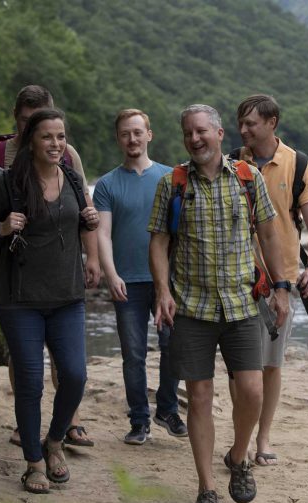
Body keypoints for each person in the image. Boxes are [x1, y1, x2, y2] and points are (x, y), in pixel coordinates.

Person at [148, 104, 290, 503]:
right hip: (191, 307)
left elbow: (267, 232)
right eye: (188, 133)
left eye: (201, 132)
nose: (195, 139)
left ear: (219, 133)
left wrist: (280, 288)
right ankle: (206, 488)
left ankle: (239, 457)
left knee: (252, 391)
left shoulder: (247, 179)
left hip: (243, 303)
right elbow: (158, 242)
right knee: (200, 398)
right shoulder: (171, 184)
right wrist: (161, 291)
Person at [0, 108, 99, 494]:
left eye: (60, 137)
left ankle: (54, 441)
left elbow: (83, 222)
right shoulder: (8, 184)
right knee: (29, 383)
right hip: (19, 298)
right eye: (47, 137)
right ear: (31, 142)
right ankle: (34, 462)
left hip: (67, 294)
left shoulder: (72, 178)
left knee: (75, 375)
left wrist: (91, 245)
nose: (56, 144)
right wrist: (1, 227)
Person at [229, 94, 308, 466]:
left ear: (272, 123)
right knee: (240, 368)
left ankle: (263, 437)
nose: (244, 130)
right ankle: (242, 437)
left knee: (270, 365)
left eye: (251, 123)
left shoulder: (298, 164)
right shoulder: (233, 163)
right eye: (241, 123)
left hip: (281, 281)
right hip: (237, 279)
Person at [94, 109, 186, 445]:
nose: (132, 139)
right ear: (118, 139)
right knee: (133, 353)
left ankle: (167, 408)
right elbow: (103, 234)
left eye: (137, 132)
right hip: (127, 282)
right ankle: (139, 420)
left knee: (173, 347)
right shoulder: (106, 185)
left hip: (168, 282)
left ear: (149, 135)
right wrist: (111, 273)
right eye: (125, 134)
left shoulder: (172, 177)